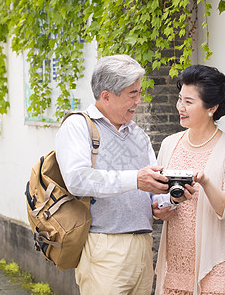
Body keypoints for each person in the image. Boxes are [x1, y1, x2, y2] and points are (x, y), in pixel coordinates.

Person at [55, 54, 173, 295]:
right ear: (106, 95)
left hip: (143, 244)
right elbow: (77, 179)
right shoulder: (78, 126)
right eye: (132, 93)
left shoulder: (138, 133)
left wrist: (163, 201)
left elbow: (151, 179)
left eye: (139, 92)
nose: (139, 101)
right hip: (104, 246)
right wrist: (135, 179)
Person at [152, 65, 225, 295]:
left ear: (211, 108)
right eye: (179, 100)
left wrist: (205, 182)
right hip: (175, 261)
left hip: (216, 261)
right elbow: (158, 197)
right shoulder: (169, 144)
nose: (180, 108)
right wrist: (162, 208)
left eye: (188, 102)